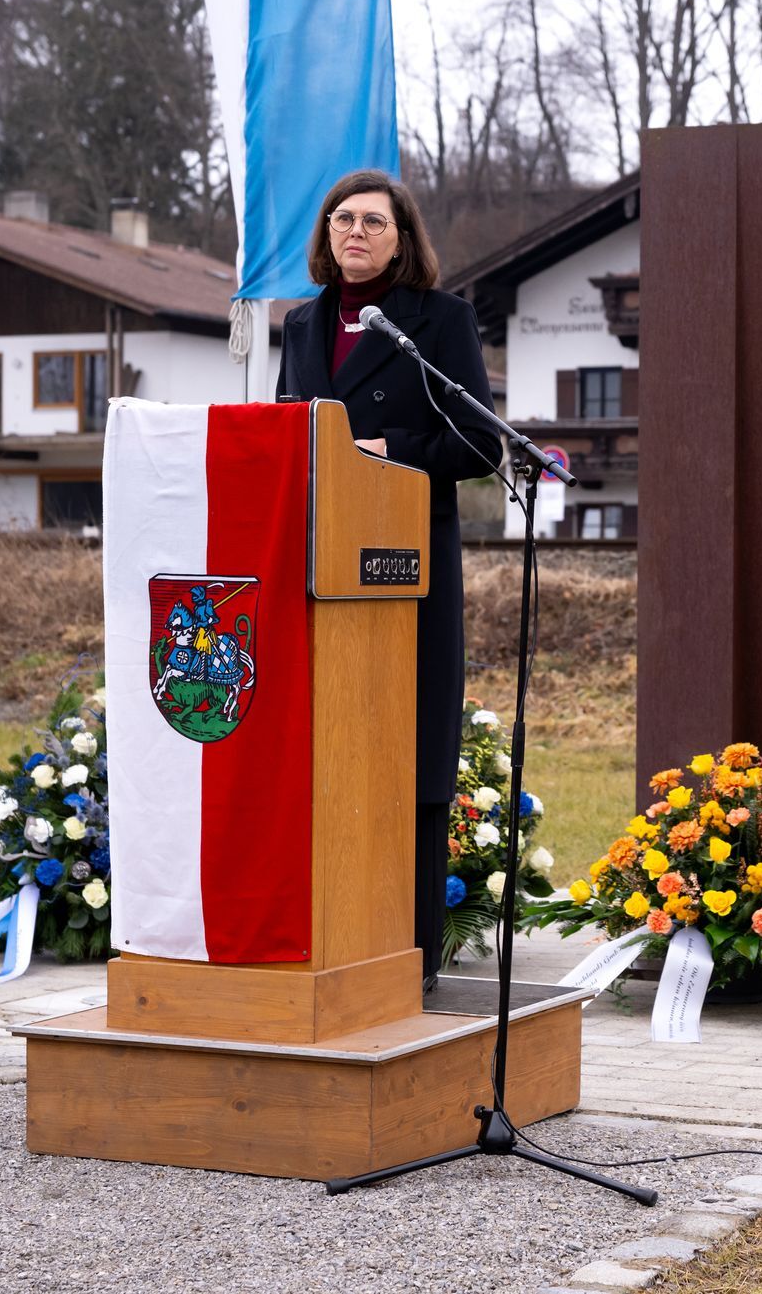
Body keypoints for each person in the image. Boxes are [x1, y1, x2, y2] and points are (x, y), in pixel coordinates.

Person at [277, 168, 500, 989]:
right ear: (326, 235)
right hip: (321, 571)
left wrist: (382, 450)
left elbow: (478, 444)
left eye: (374, 221)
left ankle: (409, 952)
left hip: (409, 571)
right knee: (325, 755)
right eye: (342, 219)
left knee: (409, 757)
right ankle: (329, 939)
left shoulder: (440, 320)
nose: (356, 233)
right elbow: (286, 435)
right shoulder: (302, 324)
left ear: (402, 238)